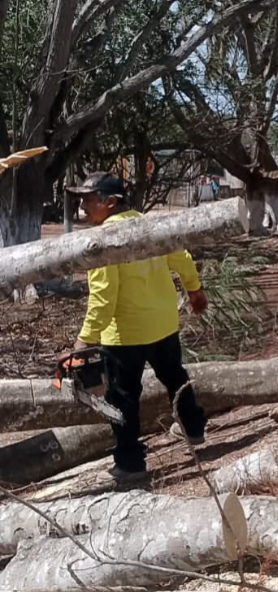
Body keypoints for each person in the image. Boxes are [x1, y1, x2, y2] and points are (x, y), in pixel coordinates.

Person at [68, 173, 209, 483]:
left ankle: (130, 464)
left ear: (110, 202)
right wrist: (194, 290)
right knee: (175, 377)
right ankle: (195, 430)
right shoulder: (150, 226)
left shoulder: (103, 242)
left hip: (125, 335)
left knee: (123, 398)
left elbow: (104, 298)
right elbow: (181, 257)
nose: (82, 204)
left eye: (89, 198)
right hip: (162, 323)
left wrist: (84, 342)